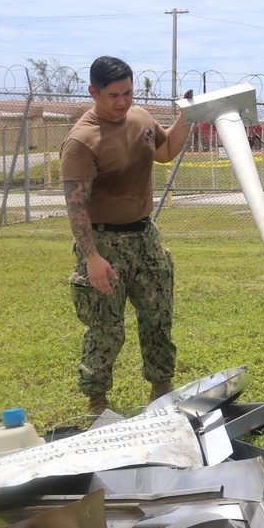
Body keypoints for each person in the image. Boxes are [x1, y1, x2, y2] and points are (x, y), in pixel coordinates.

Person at [60, 55, 191, 415]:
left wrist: (186, 118)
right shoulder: (82, 141)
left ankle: (161, 392)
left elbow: (164, 151)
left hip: (145, 235)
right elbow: (76, 208)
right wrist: (91, 258)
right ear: (93, 92)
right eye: (113, 95)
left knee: (158, 318)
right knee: (105, 328)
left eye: (128, 93)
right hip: (103, 244)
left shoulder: (141, 118)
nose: (123, 101)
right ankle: (97, 404)